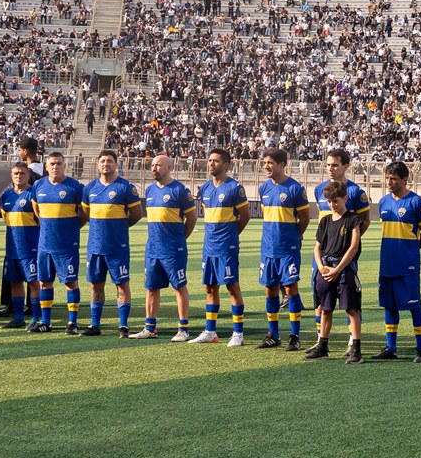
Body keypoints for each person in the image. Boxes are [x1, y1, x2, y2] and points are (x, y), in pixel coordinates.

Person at [130, 155, 198, 341]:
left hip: (173, 249)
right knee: (151, 288)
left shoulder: (180, 190)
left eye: (158, 165)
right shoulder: (150, 190)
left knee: (179, 287)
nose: (154, 168)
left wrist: (180, 238)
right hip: (152, 249)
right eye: (152, 165)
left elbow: (192, 218)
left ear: (169, 167)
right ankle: (150, 327)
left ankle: (183, 329)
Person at [189, 148, 251, 346]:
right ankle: (210, 331)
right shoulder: (205, 188)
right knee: (209, 288)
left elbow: (245, 216)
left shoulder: (235, 188)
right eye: (209, 160)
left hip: (226, 247)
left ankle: (238, 334)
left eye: (215, 161)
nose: (211, 164)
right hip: (209, 247)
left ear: (226, 165)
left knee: (232, 287)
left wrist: (231, 236)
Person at [373, 161, 421, 362]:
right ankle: (391, 347)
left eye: (394, 179)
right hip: (387, 261)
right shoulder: (383, 202)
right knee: (389, 305)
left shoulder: (416, 203)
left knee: (414, 305)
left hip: (408, 263)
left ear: (405, 179)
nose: (389, 182)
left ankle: (420, 350)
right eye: (387, 178)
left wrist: (411, 250)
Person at [81, 149, 142, 338]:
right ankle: (94, 325)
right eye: (102, 161)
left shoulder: (126, 187)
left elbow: (137, 214)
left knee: (122, 285)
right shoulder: (89, 188)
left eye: (109, 161)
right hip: (95, 247)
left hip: (117, 247)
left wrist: (119, 229)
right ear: (98, 165)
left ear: (116, 164)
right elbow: (86, 214)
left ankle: (123, 325)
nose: (105, 164)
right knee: (95, 286)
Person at [312, 148, 371, 340]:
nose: (331, 169)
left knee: (349, 299)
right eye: (328, 165)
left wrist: (346, 241)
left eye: (335, 165)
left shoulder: (355, 191)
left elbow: (365, 220)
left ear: (346, 166)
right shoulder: (319, 189)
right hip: (323, 254)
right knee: (320, 297)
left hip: (344, 257)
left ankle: (351, 340)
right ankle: (320, 338)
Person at [304, 180, 365, 363]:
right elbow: (317, 247)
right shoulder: (324, 221)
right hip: (326, 269)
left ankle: (356, 349)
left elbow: (353, 247)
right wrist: (321, 267)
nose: (332, 205)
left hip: (344, 270)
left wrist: (338, 269)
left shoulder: (353, 219)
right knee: (325, 308)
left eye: (336, 201)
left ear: (345, 198)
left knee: (351, 309)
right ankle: (322, 346)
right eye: (329, 201)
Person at [256, 148, 311, 350]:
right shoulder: (263, 188)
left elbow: (304, 218)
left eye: (270, 162)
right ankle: (273, 335)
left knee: (290, 289)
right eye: (264, 163)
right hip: (268, 248)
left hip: (288, 249)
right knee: (270, 289)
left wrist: (294, 237)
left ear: (282, 164)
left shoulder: (295, 189)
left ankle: (295, 336)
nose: (266, 166)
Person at [30, 150, 88, 334]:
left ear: (65, 166)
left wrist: (69, 229)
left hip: (66, 245)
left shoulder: (75, 187)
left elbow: (84, 214)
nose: (55, 167)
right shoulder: (38, 185)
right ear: (46, 167)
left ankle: (72, 323)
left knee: (71, 283)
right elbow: (36, 210)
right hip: (45, 245)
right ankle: (46, 322)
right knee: (44, 283)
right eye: (52, 164)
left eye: (58, 163)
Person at [0, 162, 39, 328]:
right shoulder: (6, 196)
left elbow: (40, 220)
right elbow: (5, 219)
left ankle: (36, 318)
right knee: (15, 282)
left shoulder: (34, 193)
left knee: (34, 282)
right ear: (11, 176)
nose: (19, 176)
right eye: (15, 174)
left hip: (31, 248)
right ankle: (19, 317)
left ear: (28, 175)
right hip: (12, 249)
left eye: (22, 173)